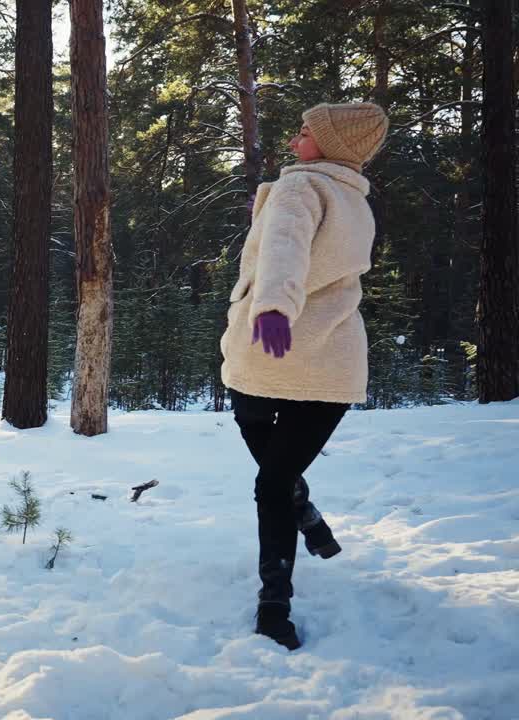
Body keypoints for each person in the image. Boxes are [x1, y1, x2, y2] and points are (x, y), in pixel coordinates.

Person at [219, 102, 389, 650]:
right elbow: (298, 246)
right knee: (276, 473)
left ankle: (275, 607)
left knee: (268, 475)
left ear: (333, 144)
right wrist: (263, 218)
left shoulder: (298, 188)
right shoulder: (354, 200)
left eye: (305, 132)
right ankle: (304, 513)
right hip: (332, 361)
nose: (295, 141)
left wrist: (272, 305)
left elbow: (287, 251)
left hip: (272, 346)